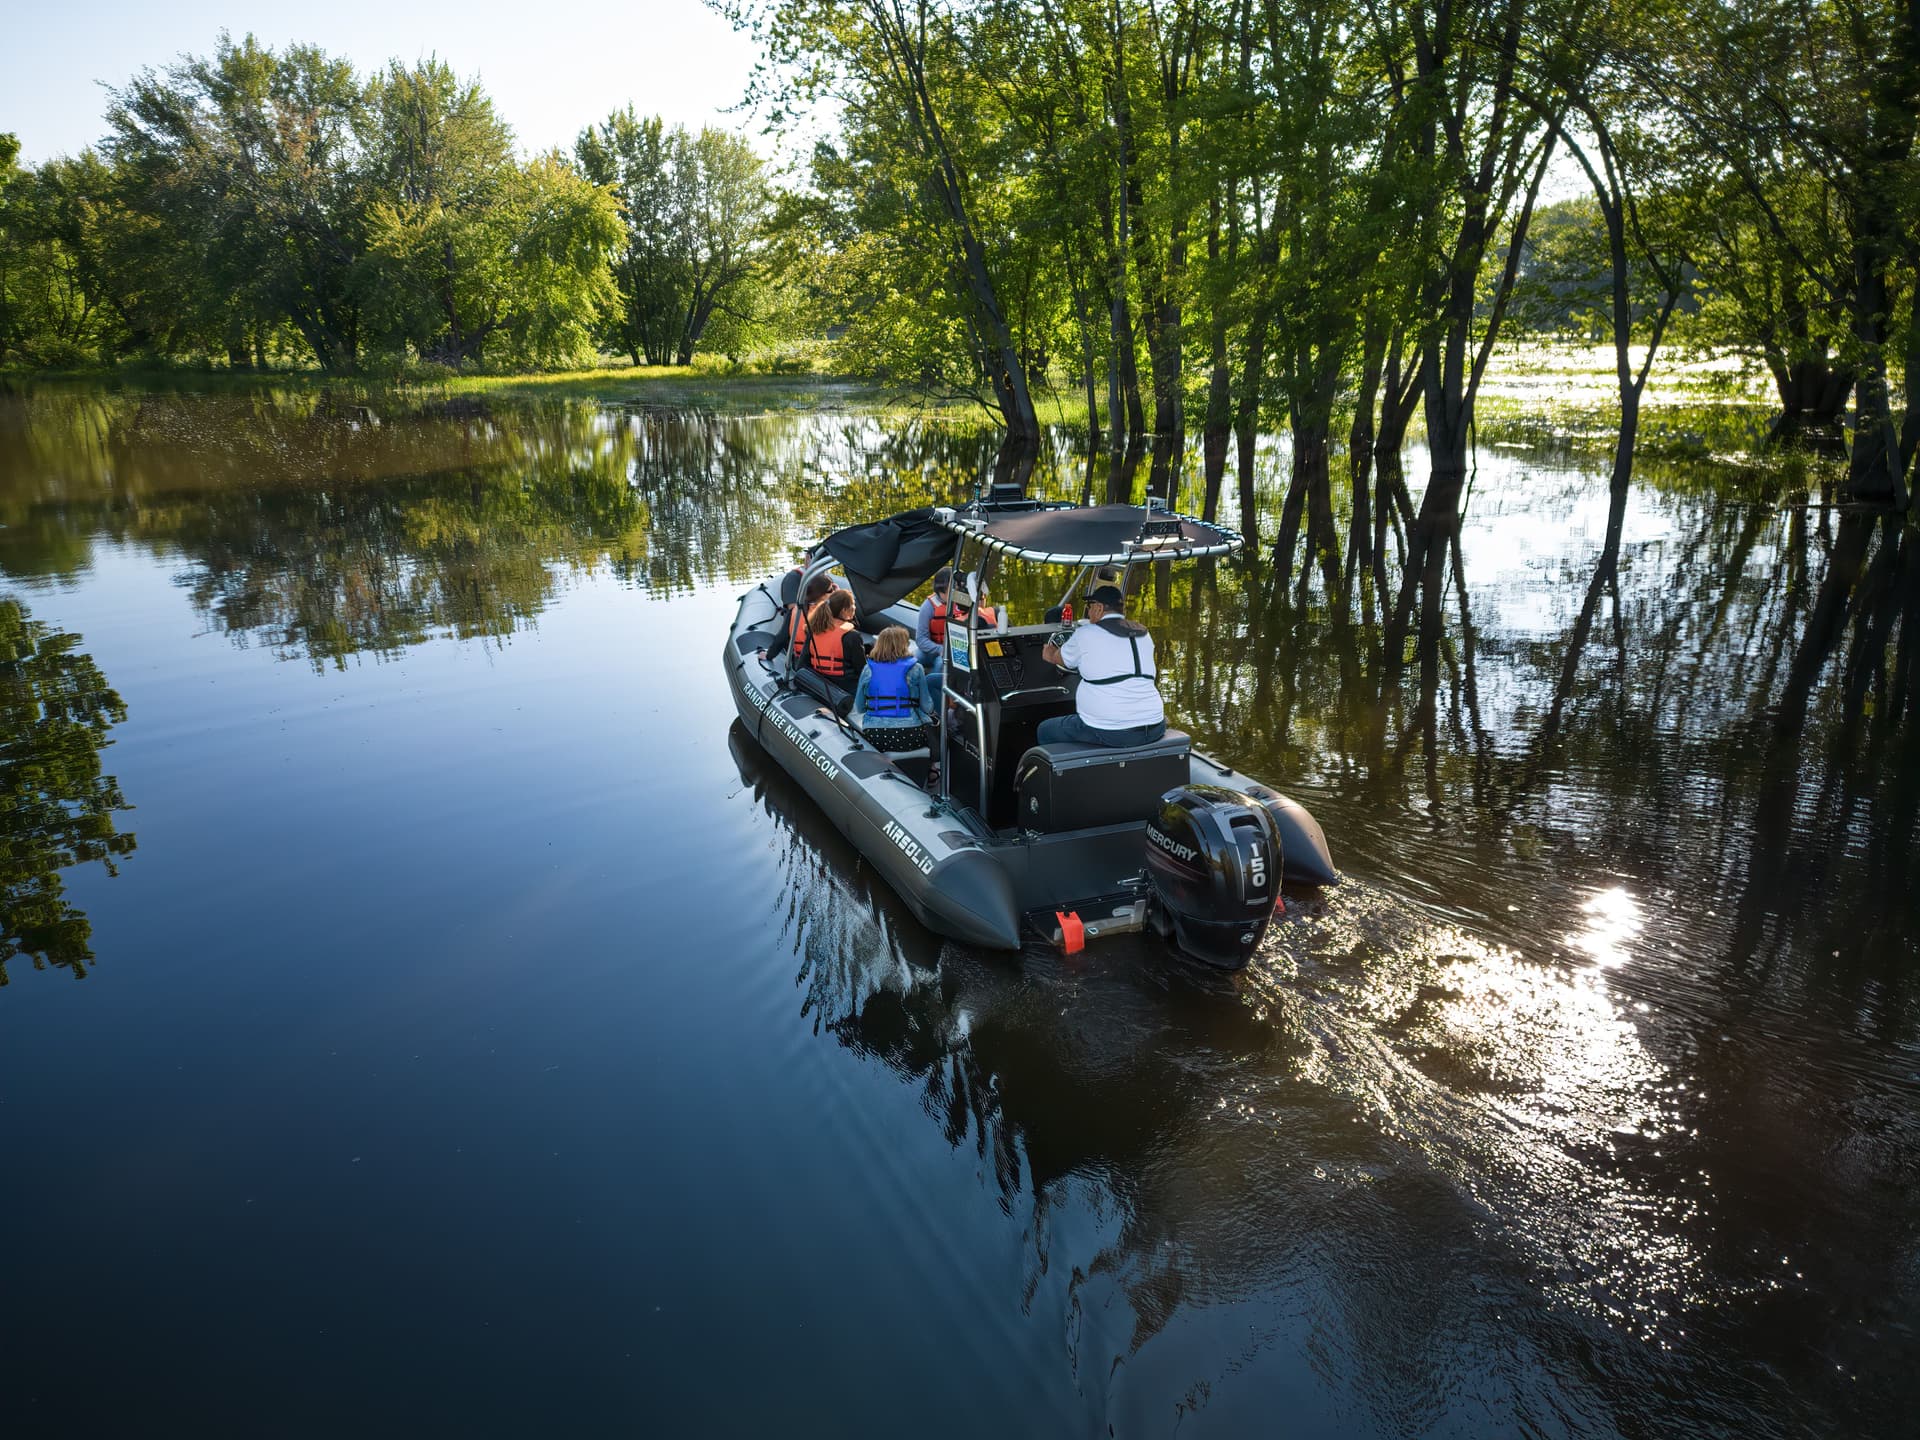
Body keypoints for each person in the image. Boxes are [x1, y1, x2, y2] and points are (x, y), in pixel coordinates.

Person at [1038, 584, 1167, 748]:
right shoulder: (1144, 634)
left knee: (1045, 730)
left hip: (1111, 730)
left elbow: (1058, 658)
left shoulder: (1086, 633)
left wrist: (1049, 651)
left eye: (1089, 607)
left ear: (1099, 608)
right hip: (1155, 726)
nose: (1088, 612)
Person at [852, 625, 934, 752]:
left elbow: (859, 707)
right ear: (904, 645)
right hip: (910, 734)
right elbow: (927, 707)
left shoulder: (868, 669)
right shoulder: (916, 668)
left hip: (876, 735)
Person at [804, 588, 865, 692]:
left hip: (820, 683)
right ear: (844, 610)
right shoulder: (852, 636)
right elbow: (862, 669)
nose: (855, 607)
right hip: (845, 688)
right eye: (853, 604)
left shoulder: (814, 631)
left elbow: (803, 661)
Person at [914, 568, 952, 668]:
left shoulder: (961, 604)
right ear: (942, 587)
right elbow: (921, 639)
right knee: (914, 660)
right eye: (952, 586)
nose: (955, 589)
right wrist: (940, 649)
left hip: (951, 652)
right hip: (932, 650)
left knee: (941, 664)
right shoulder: (928, 607)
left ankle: (935, 678)